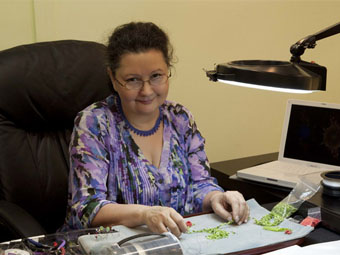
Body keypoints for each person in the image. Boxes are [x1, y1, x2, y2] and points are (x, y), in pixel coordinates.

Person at [61, 22, 249, 237]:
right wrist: (145, 214)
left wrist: (216, 197)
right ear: (113, 78)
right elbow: (87, 208)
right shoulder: (95, 123)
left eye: (156, 76)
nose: (147, 90)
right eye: (132, 80)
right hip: (108, 246)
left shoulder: (180, 117)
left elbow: (200, 184)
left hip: (176, 243)